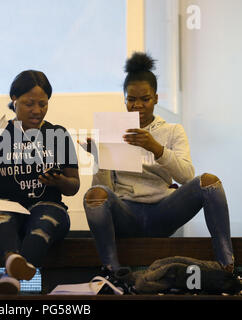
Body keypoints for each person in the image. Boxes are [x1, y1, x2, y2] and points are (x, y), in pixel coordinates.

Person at [81, 52, 235, 294]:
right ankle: (113, 273)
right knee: (94, 195)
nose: (138, 105)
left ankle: (227, 266)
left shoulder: (172, 130)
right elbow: (104, 191)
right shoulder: (113, 129)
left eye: (145, 99)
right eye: (131, 100)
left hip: (164, 211)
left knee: (210, 182)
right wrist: (99, 158)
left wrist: (155, 147)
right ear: (125, 100)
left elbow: (186, 175)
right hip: (127, 213)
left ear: (155, 98)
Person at [0, 70, 80, 294]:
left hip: (47, 206)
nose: (37, 110)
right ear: (14, 99)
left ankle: (10, 272)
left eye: (43, 104)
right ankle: (14, 265)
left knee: (44, 223)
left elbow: (73, 186)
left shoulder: (57, 133)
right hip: (6, 207)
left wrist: (58, 181)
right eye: (30, 103)